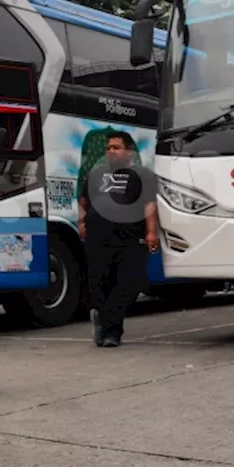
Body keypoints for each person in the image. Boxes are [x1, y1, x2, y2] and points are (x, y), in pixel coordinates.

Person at [79, 131, 160, 348]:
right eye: (109, 148)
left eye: (116, 147)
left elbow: (149, 205)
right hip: (98, 238)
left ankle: (108, 326)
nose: (111, 151)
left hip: (129, 239)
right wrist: (81, 222)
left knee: (128, 284)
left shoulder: (143, 175)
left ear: (129, 151)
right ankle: (110, 330)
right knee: (100, 285)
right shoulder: (95, 174)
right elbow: (84, 199)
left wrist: (151, 232)